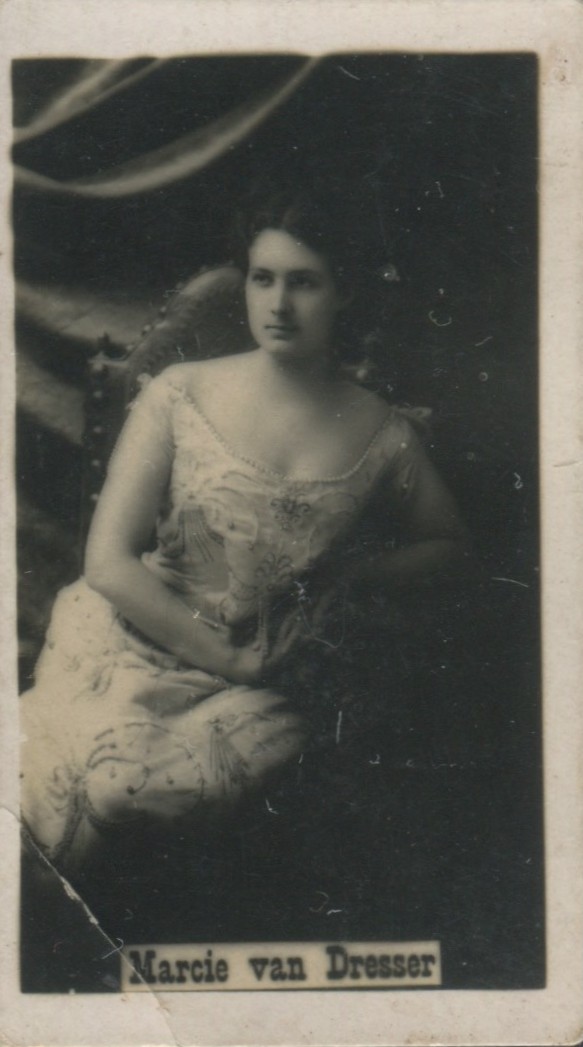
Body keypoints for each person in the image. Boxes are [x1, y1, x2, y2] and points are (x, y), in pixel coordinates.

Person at [20, 185, 470, 878]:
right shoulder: (181, 391)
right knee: (50, 782)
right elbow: (108, 561)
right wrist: (226, 657)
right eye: (263, 279)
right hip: (134, 635)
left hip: (265, 678)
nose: (278, 304)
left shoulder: (382, 433)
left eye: (303, 283)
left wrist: (347, 577)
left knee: (122, 794)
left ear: (344, 293)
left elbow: (450, 544)